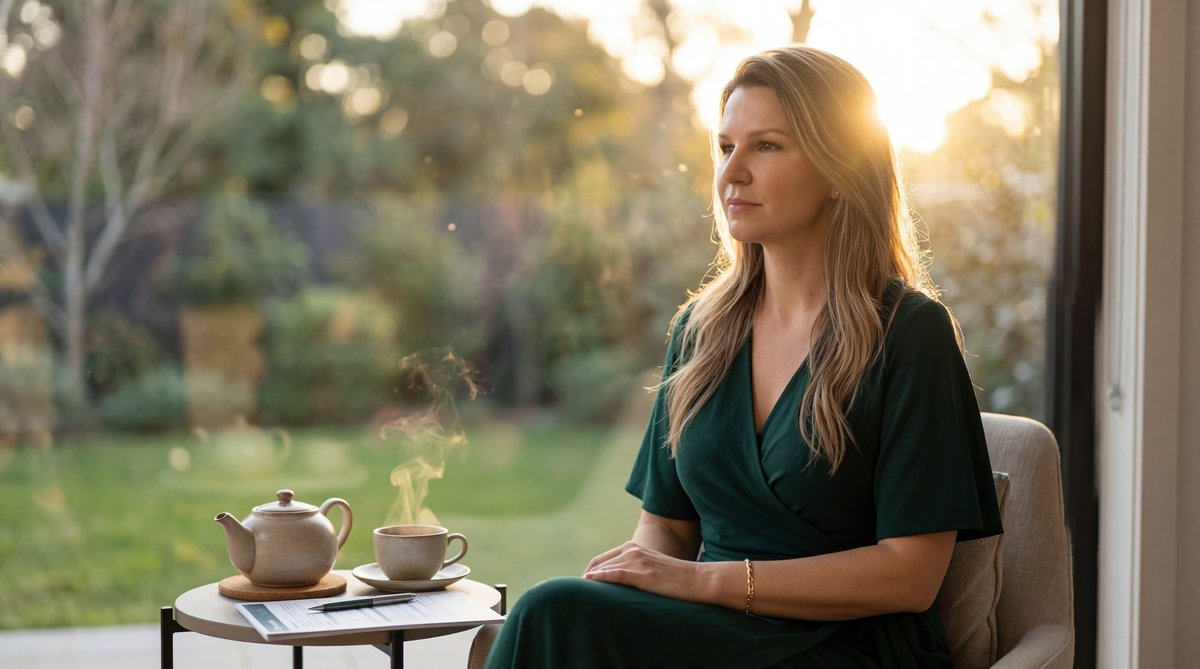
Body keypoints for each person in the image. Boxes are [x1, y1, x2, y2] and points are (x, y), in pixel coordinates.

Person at [483, 45, 1002, 669]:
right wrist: (634, 582)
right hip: (711, 630)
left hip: (845, 646)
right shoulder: (701, 332)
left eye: (767, 146)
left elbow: (909, 575)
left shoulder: (909, 333)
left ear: (840, 169)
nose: (732, 173)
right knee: (561, 614)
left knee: (550, 615)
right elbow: (667, 528)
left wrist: (705, 583)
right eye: (726, 148)